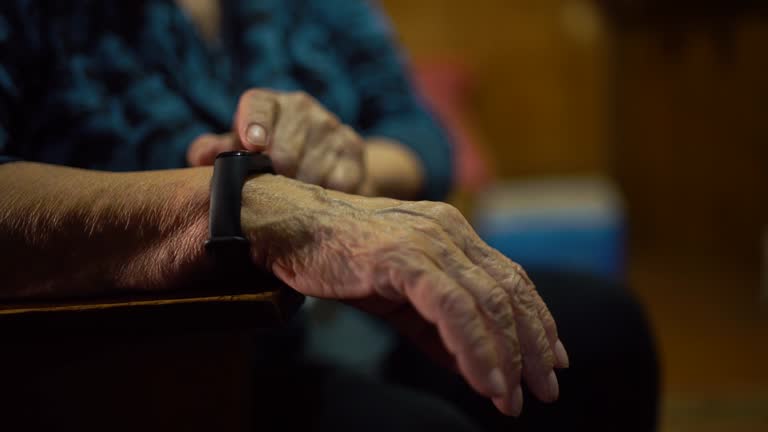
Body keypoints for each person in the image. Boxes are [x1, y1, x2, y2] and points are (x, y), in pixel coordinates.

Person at [0, 1, 657, 431]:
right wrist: (248, 201)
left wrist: (349, 169)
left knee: (601, 331)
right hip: (164, 359)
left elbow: (418, 129)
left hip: (351, 317)